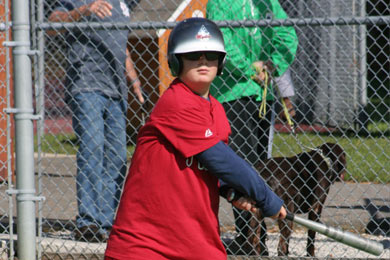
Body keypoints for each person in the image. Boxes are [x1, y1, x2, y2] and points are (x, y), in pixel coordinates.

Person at [104, 17, 286, 260]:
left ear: (220, 62)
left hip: (193, 241)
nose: (203, 60)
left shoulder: (217, 111)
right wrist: (268, 198)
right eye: (193, 55)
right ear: (176, 61)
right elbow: (221, 160)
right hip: (146, 246)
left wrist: (229, 190)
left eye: (211, 55)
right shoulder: (176, 102)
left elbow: (207, 166)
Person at [206, 0, 298, 253]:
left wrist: (272, 64)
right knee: (240, 166)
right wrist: (250, 68)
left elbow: (287, 34)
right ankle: (249, 238)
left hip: (261, 94)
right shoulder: (219, 3)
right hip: (233, 94)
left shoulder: (266, 3)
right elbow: (220, 39)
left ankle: (255, 239)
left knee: (260, 167)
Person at [48, 0, 144, 242]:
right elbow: (51, 23)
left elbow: (121, 46)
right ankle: (89, 221)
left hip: (117, 90)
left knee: (117, 156)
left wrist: (134, 80)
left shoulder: (122, 5)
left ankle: (107, 221)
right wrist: (83, 11)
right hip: (86, 85)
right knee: (92, 148)